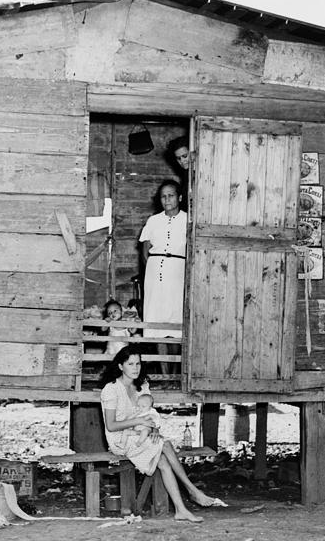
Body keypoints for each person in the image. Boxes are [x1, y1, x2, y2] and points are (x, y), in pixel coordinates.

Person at [99, 346, 227, 522]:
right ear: (121, 366)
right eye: (130, 364)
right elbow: (111, 426)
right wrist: (140, 423)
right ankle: (192, 490)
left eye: (138, 363)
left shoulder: (142, 387)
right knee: (165, 445)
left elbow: (150, 415)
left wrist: (153, 430)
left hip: (141, 434)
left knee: (164, 461)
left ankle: (181, 510)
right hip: (121, 439)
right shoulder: (111, 389)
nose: (136, 368)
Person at [139, 180, 187, 373]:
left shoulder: (188, 220)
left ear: (180, 197)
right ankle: (164, 373)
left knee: (175, 321)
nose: (167, 199)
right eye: (163, 196)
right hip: (154, 273)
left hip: (177, 272)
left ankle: (176, 373)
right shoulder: (153, 221)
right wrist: (153, 269)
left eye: (171, 195)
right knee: (156, 321)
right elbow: (145, 251)